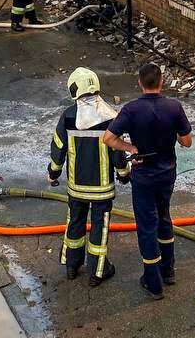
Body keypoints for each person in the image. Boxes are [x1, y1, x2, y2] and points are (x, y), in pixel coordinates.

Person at [103, 61, 192, 300]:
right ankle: (168, 270)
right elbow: (186, 142)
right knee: (164, 217)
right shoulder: (174, 107)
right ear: (161, 82)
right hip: (167, 174)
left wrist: (131, 147)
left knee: (146, 226)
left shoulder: (131, 110)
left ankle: (153, 282)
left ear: (140, 83)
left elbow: (108, 138)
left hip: (143, 176)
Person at [48, 68, 128, 286]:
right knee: (99, 229)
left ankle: (72, 266)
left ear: (74, 89)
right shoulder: (110, 117)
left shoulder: (68, 116)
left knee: (74, 222)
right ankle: (98, 272)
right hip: (102, 189)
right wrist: (123, 174)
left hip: (76, 187)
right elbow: (118, 151)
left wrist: (53, 173)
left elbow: (58, 148)